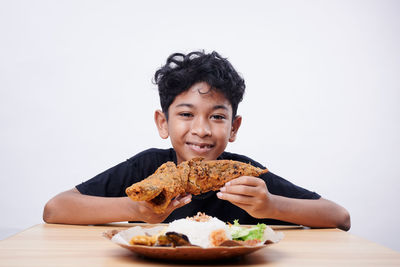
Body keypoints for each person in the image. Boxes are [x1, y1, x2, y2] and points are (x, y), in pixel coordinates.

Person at [43, 51, 351, 231]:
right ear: (163, 123)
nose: (201, 129)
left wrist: (270, 205)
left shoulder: (245, 177)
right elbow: (56, 209)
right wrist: (135, 210)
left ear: (234, 127)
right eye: (187, 114)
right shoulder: (149, 168)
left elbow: (340, 217)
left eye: (217, 117)